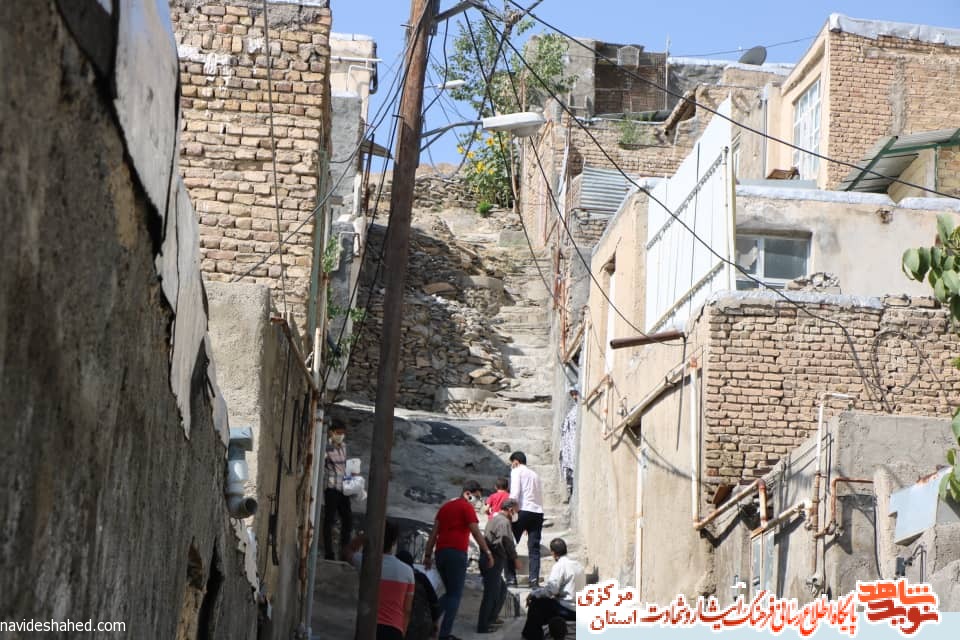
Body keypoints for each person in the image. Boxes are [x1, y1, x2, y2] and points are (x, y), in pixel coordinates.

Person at [423, 481, 494, 640]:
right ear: (467, 493)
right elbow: (476, 532)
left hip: (440, 553)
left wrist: (427, 555)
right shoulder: (466, 507)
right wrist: (487, 552)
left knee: (450, 593)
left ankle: (428, 621)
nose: (477, 501)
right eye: (477, 497)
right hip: (456, 553)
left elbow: (434, 533)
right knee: (455, 595)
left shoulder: (445, 507)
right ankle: (444, 634)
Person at [347, 520, 415, 640]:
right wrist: (401, 633)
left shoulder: (365, 562)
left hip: (367, 626)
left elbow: (348, 551)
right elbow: (407, 610)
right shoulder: (408, 571)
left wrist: (364, 536)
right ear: (394, 542)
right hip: (394, 630)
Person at [521, 538, 585, 640]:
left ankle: (531, 636)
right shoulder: (578, 566)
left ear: (553, 553)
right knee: (546, 603)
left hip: (567, 609)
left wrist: (533, 594)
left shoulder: (560, 566)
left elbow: (551, 590)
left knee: (536, 604)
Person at [478, 498, 520, 633]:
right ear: (511, 510)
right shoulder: (504, 522)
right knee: (490, 595)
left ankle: (492, 618)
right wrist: (515, 559)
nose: (517, 514)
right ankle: (483, 626)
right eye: (517, 511)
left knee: (501, 590)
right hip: (493, 561)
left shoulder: (495, 519)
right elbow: (507, 542)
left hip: (491, 560)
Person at [508, 451, 544, 587]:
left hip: (522, 510)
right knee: (534, 549)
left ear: (516, 462)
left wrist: (511, 509)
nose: (512, 466)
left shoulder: (516, 471)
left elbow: (515, 493)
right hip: (537, 512)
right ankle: (534, 580)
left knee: (510, 543)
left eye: (512, 463)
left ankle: (511, 579)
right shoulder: (535, 475)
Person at [396, 550, 441, 640]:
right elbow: (434, 601)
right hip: (423, 624)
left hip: (402, 625)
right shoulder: (421, 577)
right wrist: (435, 623)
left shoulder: (397, 578)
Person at [323, 421, 351, 560]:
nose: (341, 436)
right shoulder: (326, 448)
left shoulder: (344, 447)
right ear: (331, 432)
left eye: (343, 433)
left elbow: (345, 467)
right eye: (338, 433)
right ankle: (329, 553)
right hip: (331, 488)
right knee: (329, 521)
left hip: (343, 489)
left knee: (348, 520)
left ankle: (344, 553)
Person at [559, 387, 580, 502]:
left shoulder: (579, 410)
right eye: (572, 394)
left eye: (576, 393)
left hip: (574, 447)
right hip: (569, 448)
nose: (574, 397)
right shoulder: (573, 410)